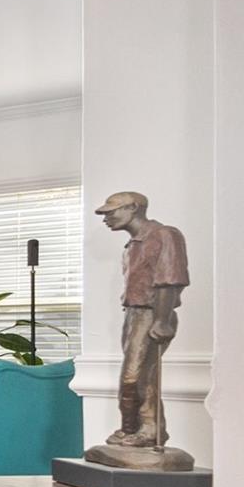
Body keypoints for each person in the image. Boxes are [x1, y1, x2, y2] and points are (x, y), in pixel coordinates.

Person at [95, 191, 188, 451]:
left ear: (133, 208)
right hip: (134, 315)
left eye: (111, 212)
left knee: (136, 377)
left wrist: (162, 319)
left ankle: (149, 429)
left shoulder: (164, 235)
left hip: (153, 313)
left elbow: (169, 279)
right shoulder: (132, 245)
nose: (106, 218)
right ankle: (132, 429)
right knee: (137, 376)